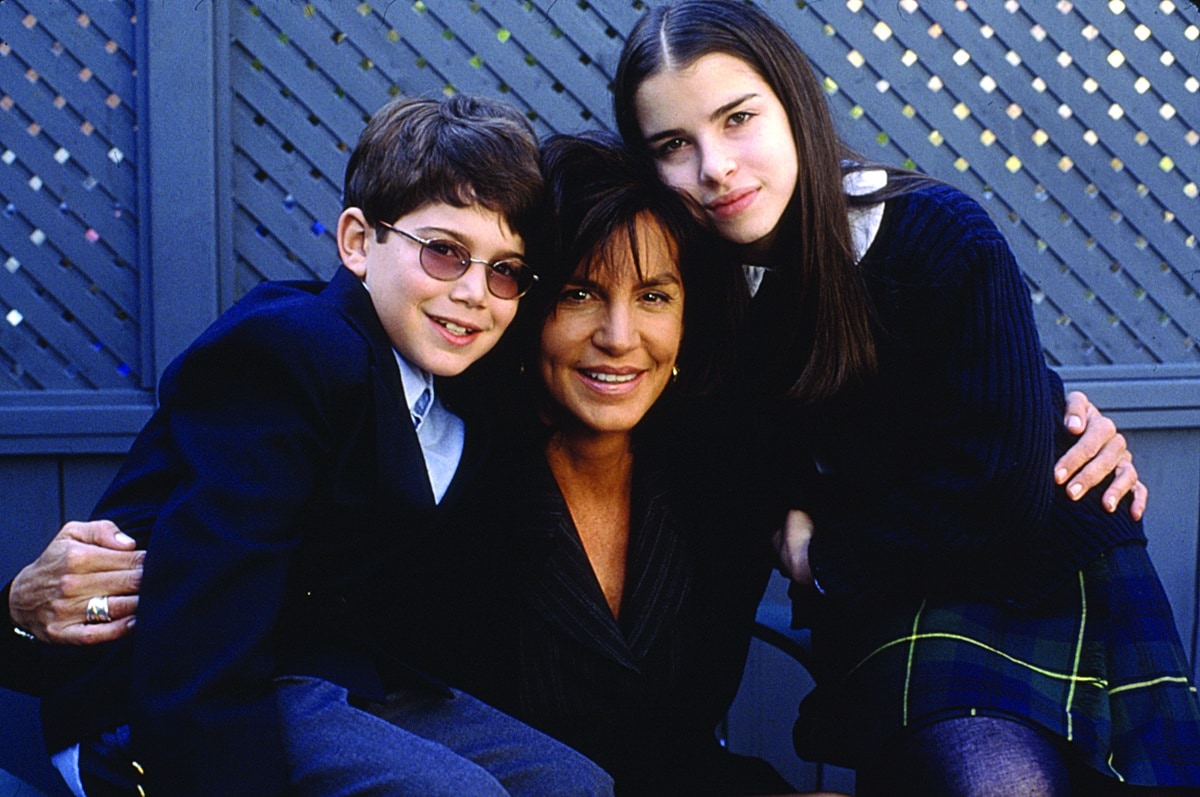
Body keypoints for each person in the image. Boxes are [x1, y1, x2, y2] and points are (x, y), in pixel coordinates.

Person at [611, 1, 1200, 794]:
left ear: (793, 104)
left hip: (1050, 569)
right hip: (903, 598)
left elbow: (1000, 485)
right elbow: (718, 488)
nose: (713, 165)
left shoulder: (937, 235)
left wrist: (827, 556)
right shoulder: (682, 297)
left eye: (738, 118)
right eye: (673, 145)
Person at [22, 94, 613, 797]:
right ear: (358, 242)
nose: (476, 293)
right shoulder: (294, 349)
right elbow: (204, 620)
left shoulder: (465, 392)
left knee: (573, 784)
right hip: (162, 700)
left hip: (331, 674)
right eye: (446, 252)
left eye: (505, 269)